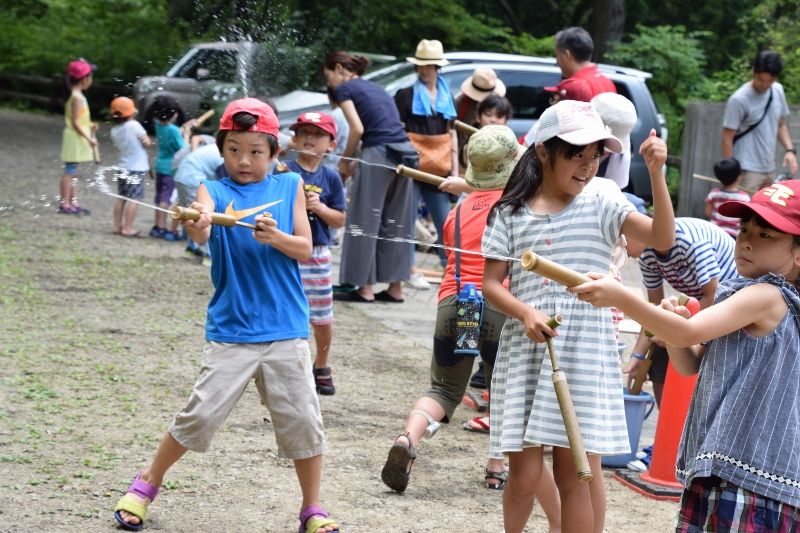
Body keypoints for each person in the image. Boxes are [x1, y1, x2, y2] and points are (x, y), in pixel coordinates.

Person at [112, 98, 339, 533]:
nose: (244, 160)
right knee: (200, 414)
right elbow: (200, 228)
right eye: (234, 149)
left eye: (256, 151)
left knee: (304, 421)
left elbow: (305, 248)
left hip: (285, 329)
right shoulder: (213, 192)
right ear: (222, 149)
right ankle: (146, 483)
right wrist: (196, 222)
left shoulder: (289, 186)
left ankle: (312, 509)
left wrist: (276, 237)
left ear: (275, 153)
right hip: (232, 330)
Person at [481, 100, 675, 533]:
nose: (587, 166)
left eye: (595, 155)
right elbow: (491, 284)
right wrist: (525, 312)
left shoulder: (604, 199)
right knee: (525, 476)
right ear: (544, 152)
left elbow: (662, 237)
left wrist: (657, 175)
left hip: (585, 350)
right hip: (526, 349)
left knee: (576, 477)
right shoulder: (509, 211)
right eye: (576, 154)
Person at [570, 180, 800, 532]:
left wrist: (620, 297)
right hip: (734, 470)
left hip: (745, 474)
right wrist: (673, 330)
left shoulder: (767, 295)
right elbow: (689, 362)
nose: (747, 240)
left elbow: (690, 332)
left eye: (767, 235)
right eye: (744, 229)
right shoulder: (747, 294)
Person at [380, 125, 561, 521]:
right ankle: (496, 468)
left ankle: (408, 437)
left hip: (456, 302)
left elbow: (453, 255)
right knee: (504, 391)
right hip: (501, 305)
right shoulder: (523, 205)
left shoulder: (458, 210)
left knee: (444, 388)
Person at [324, 51, 416, 304]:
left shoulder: (345, 88)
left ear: (339, 69)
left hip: (380, 150)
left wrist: (346, 159)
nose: (329, 81)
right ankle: (395, 287)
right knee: (397, 220)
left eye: (328, 74)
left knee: (365, 216)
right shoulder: (374, 86)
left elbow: (357, 128)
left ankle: (363, 288)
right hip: (405, 151)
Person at [625, 218, 737, 409]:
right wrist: (638, 355)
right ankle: (664, 427)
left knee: (674, 340)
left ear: (638, 229)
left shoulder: (691, 244)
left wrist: (673, 329)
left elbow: (712, 297)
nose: (620, 243)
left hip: (729, 301)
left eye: (622, 236)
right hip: (697, 301)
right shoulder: (647, 255)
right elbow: (654, 309)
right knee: (661, 346)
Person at [285, 112, 346, 395]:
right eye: (304, 132)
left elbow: (340, 219)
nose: (310, 138)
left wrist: (320, 208)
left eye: (318, 134)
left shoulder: (331, 177)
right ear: (294, 139)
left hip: (318, 254)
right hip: (285, 251)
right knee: (285, 310)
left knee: (321, 317)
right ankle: (288, 367)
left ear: (331, 145)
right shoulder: (282, 171)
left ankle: (322, 365)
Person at [394, 39, 458, 271]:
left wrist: (455, 169)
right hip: (411, 164)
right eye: (421, 65)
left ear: (437, 67)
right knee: (406, 219)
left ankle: (448, 268)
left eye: (430, 65)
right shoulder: (404, 95)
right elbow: (397, 129)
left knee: (445, 220)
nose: (425, 69)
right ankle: (405, 269)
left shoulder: (447, 96)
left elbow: (451, 133)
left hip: (439, 165)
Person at [722, 50, 797, 194]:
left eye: (770, 80)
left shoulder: (777, 90)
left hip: (769, 167)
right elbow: (727, 138)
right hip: (746, 170)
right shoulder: (739, 99)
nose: (765, 85)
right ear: (753, 72)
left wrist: (790, 150)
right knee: (746, 215)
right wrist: (732, 174)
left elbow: (781, 124)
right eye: (761, 79)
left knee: (766, 214)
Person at [173, 140, 224, 263]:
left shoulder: (216, 148)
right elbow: (224, 182)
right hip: (193, 178)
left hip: (182, 176)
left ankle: (192, 248)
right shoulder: (225, 156)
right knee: (204, 214)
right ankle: (209, 255)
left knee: (192, 214)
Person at [58, 58, 97, 215]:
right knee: (70, 171)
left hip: (78, 138)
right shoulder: (77, 97)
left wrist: (90, 125)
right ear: (84, 79)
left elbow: (80, 119)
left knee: (74, 171)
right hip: (75, 139)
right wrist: (89, 139)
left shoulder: (79, 96)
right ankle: (65, 203)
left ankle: (73, 202)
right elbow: (74, 122)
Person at [150, 95, 192, 240]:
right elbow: (184, 149)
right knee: (166, 199)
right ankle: (162, 228)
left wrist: (180, 130)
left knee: (160, 196)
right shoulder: (174, 131)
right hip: (170, 168)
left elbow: (170, 133)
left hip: (160, 166)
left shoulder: (158, 124)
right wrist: (186, 134)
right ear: (174, 114)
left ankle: (157, 226)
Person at [109, 96, 151, 237]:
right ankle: (128, 227)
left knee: (121, 197)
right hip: (136, 168)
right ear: (131, 113)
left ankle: (117, 226)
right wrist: (146, 140)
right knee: (135, 198)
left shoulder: (114, 130)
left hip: (122, 166)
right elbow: (146, 142)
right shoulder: (133, 125)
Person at [553, 27, 617, 97]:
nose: (557, 62)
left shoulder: (574, 87)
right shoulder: (607, 82)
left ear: (566, 55)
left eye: (557, 56)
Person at [705, 157, 751, 238]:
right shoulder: (744, 197)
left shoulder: (714, 193)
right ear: (739, 177)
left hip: (714, 232)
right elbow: (746, 219)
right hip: (734, 235)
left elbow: (708, 212)